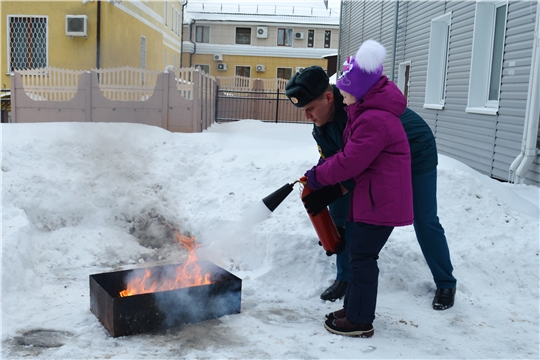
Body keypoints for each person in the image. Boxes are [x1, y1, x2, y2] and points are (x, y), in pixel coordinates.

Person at [285, 62, 457, 311]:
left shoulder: (356, 111)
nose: (307, 116)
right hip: (370, 156)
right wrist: (327, 192)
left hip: (417, 151)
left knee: (424, 218)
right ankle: (345, 277)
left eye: (310, 108)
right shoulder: (322, 124)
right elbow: (336, 161)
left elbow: (360, 166)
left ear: (329, 98)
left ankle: (446, 282)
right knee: (341, 212)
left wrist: (337, 185)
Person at [294, 39, 413, 337]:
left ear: (358, 93)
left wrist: (318, 176)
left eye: (344, 94)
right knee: (359, 253)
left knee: (361, 257)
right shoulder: (367, 115)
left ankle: (359, 321)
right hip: (371, 198)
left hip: (378, 201)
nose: (342, 98)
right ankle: (354, 309)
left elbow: (348, 161)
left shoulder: (373, 120)